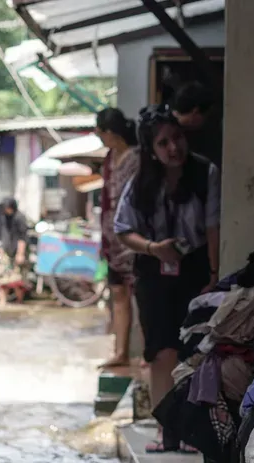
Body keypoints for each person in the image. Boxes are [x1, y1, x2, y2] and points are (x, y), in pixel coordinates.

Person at [115, 104, 220, 453]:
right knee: (161, 352)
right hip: (154, 271)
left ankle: (191, 429)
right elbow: (122, 229)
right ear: (152, 150)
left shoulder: (205, 173)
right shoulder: (141, 182)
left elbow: (213, 226)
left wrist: (214, 273)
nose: (173, 148)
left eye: (176, 138)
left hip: (195, 270)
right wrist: (153, 247)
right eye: (163, 143)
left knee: (195, 351)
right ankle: (166, 430)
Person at [96, 108, 140, 368]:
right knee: (119, 293)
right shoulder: (111, 158)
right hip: (112, 236)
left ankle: (144, 354)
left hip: (133, 234)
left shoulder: (136, 158)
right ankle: (121, 351)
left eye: (100, 132)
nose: (99, 137)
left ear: (110, 132)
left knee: (138, 295)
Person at [171, 81, 222, 168]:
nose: (205, 121)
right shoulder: (167, 129)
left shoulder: (188, 131)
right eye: (205, 116)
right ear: (196, 112)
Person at [0, 198, 29, 267]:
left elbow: (22, 236)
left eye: (8, 208)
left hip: (19, 250)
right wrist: (2, 247)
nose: (6, 210)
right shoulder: (4, 217)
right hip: (8, 250)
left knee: (17, 275)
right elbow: (4, 233)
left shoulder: (20, 217)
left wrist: (20, 253)